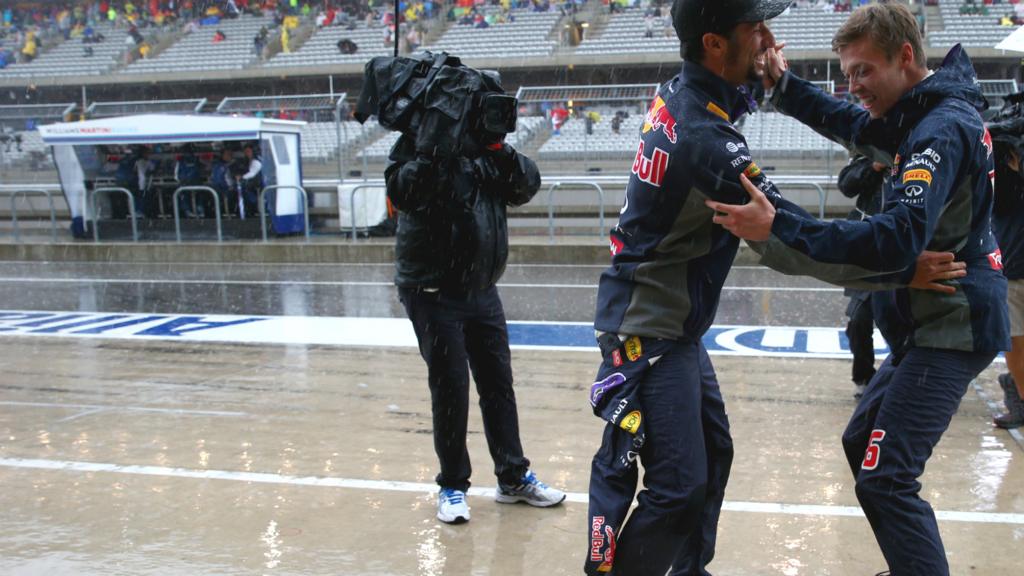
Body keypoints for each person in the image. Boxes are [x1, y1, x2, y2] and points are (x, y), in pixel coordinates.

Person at [704, 4, 1009, 575]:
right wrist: (785, 87)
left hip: (952, 324)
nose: (854, 87)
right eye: (847, 74)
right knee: (861, 439)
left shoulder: (939, 129)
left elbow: (896, 238)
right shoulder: (921, 109)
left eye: (864, 72)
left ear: (906, 57)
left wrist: (783, 227)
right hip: (929, 323)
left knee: (887, 477)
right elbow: (851, 124)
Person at [584, 0, 790, 573]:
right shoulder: (704, 134)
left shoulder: (684, 92)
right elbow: (791, 234)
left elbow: (722, 111)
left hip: (669, 320)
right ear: (715, 44)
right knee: (677, 485)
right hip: (650, 325)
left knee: (712, 455)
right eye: (756, 27)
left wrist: (777, 86)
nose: (769, 38)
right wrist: (899, 262)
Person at [385, 85, 565, 525]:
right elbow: (403, 192)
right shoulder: (417, 139)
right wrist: (433, 151)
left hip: (481, 288)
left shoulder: (488, 146)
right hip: (431, 289)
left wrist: (497, 147)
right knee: (451, 389)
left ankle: (512, 477)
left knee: (498, 383)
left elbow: (526, 186)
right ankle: (451, 485)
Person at [836, 154, 886, 398]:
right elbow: (846, 184)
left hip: (908, 245)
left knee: (904, 325)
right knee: (859, 320)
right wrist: (874, 166)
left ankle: (904, 379)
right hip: (868, 245)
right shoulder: (870, 149)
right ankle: (864, 377)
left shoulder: (923, 148)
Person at [988, 114, 1024, 428]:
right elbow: (994, 203)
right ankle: (1019, 398)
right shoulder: (1000, 170)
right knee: (1015, 342)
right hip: (1013, 267)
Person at [235, 144, 262, 217]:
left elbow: (252, 173)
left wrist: (241, 177)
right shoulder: (249, 161)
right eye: (245, 152)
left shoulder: (256, 161)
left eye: (248, 151)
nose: (247, 153)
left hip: (258, 185)